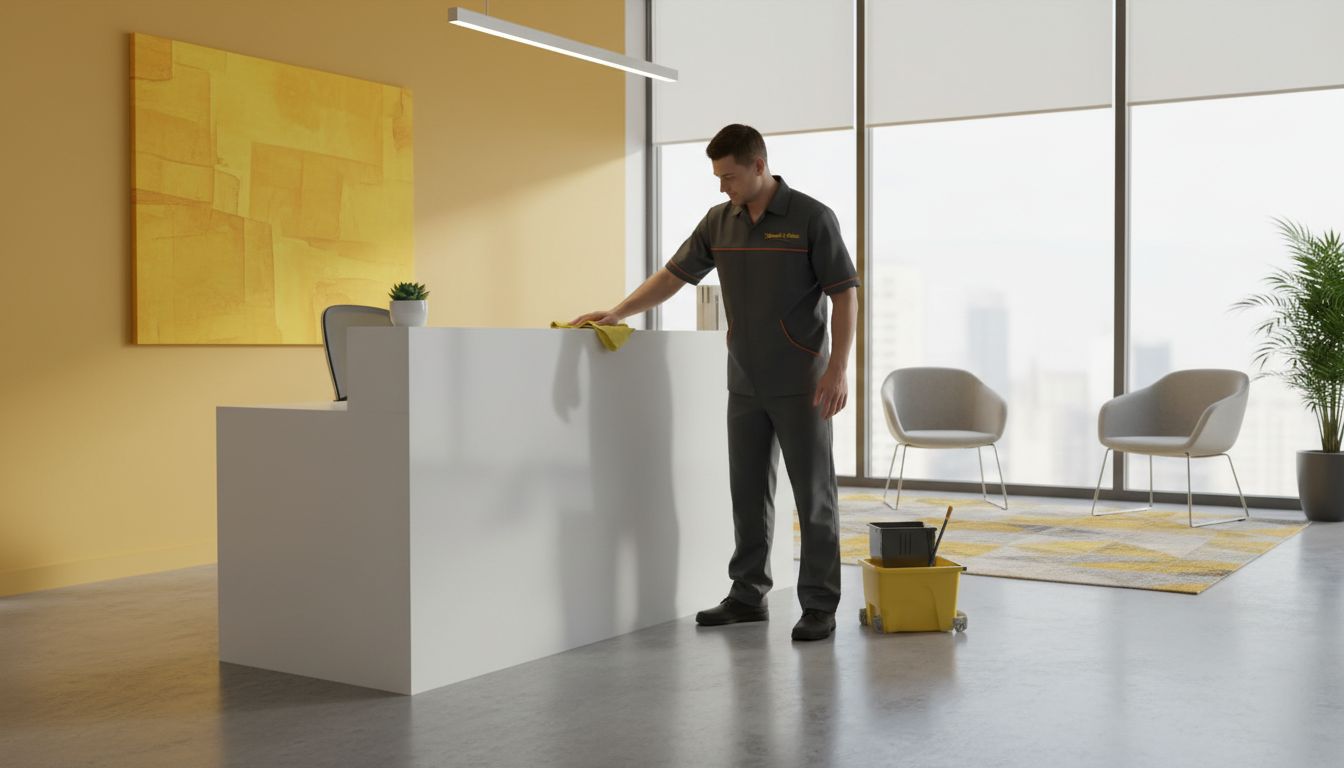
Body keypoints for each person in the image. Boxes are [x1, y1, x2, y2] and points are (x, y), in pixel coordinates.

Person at [570, 124, 858, 641]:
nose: (722, 186)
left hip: (803, 382)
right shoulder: (718, 221)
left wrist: (839, 368)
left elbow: (845, 294)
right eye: (717, 177)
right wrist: (618, 311)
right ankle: (748, 594)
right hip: (744, 380)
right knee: (747, 494)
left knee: (813, 494)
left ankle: (819, 603)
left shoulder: (811, 217)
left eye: (729, 176)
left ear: (758, 166)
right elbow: (674, 275)